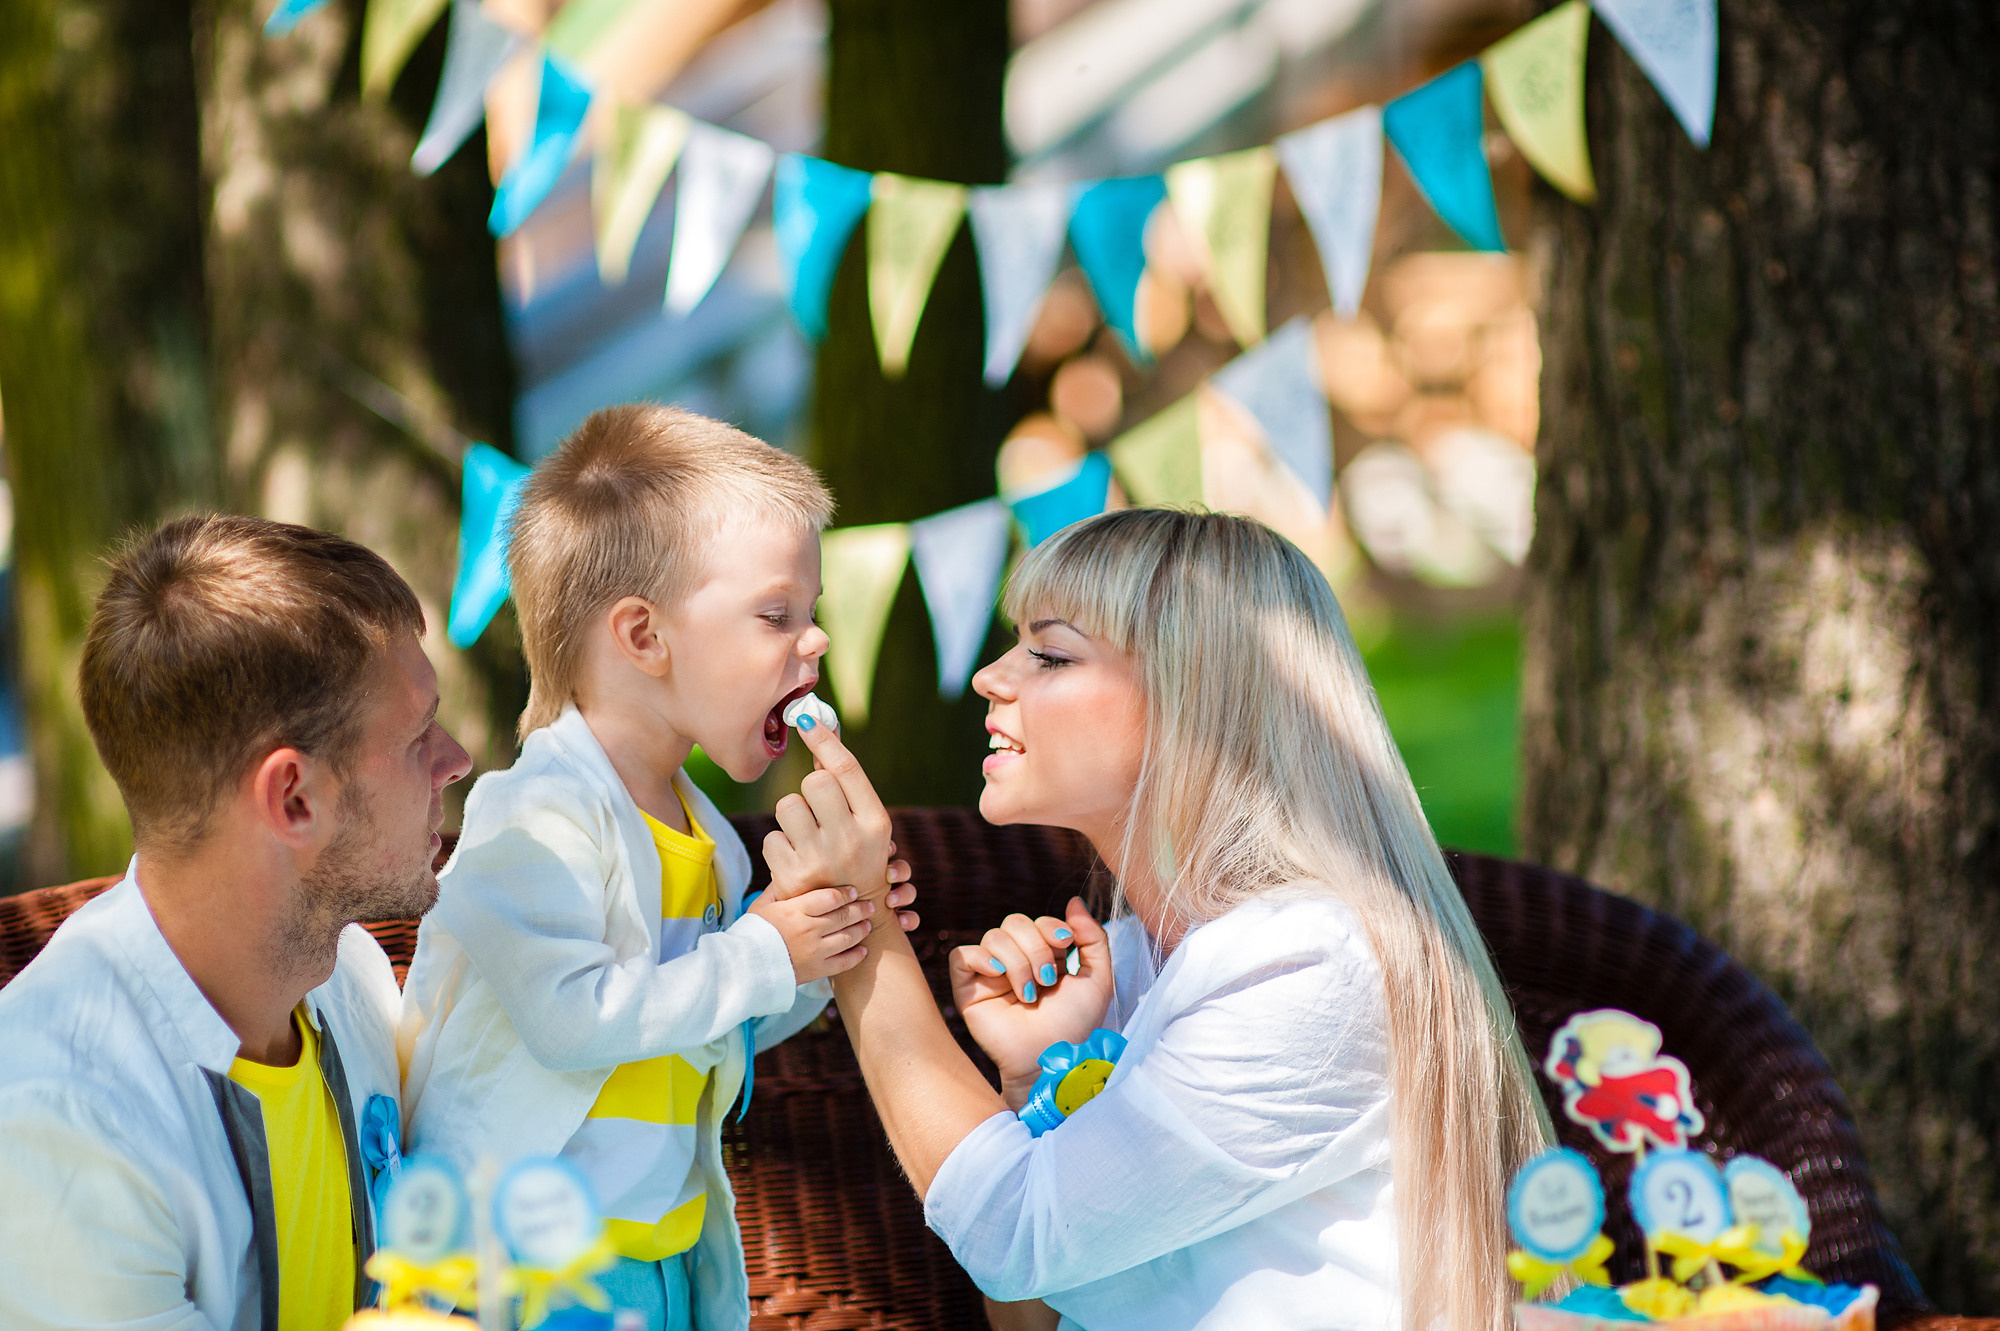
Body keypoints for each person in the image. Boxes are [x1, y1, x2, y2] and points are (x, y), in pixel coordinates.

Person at [773, 508, 1553, 1331]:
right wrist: (1035, 1081)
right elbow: (1031, 1315)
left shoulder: (1303, 970)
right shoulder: (1131, 961)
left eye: (1049, 652)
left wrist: (858, 930)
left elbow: (1011, 1230)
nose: (990, 677)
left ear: (1192, 701)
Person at [399, 405, 915, 1331]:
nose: (817, 640)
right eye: (776, 614)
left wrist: (826, 937)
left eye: (814, 612)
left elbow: (709, 1025)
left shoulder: (702, 831)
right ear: (644, 636)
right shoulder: (538, 813)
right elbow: (575, 1017)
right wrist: (766, 948)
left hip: (660, 1251)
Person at [0, 514, 473, 1330]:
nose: (456, 758)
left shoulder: (348, 974)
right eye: (416, 735)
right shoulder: (58, 1124)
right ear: (293, 798)